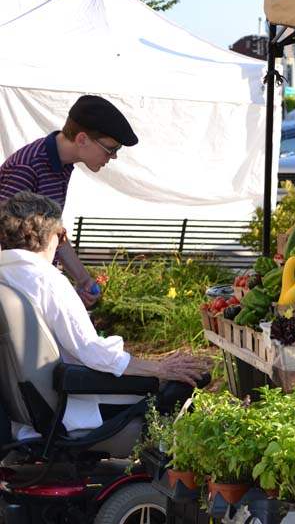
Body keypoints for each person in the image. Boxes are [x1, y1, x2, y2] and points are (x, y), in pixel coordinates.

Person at [0, 192, 207, 440]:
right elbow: (91, 351)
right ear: (48, 235)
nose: (61, 244)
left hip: (23, 409)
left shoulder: (6, 277)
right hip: (70, 405)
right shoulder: (47, 279)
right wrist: (160, 368)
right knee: (182, 387)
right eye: (62, 236)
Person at [0, 95, 138, 307]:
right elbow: (6, 238)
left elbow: (52, 231)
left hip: (36, 285)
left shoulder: (61, 165)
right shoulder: (27, 166)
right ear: (82, 139)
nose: (113, 157)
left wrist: (83, 280)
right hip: (19, 292)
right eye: (111, 149)